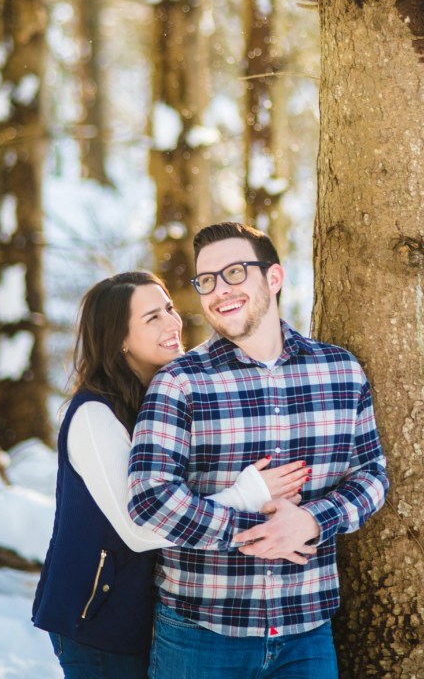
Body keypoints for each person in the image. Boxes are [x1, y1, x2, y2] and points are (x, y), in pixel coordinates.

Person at [128, 224, 389, 679]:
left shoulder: (340, 370)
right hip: (200, 634)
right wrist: (254, 531)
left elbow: (371, 476)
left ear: (273, 278)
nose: (219, 291)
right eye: (206, 280)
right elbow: (150, 500)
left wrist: (310, 521)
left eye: (234, 273)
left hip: (306, 635)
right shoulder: (180, 383)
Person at [32, 270, 309, 679]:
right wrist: (250, 495)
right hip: (98, 617)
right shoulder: (94, 416)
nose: (173, 322)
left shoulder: (163, 397)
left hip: (149, 610)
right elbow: (140, 529)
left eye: (169, 309)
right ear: (119, 339)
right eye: (152, 318)